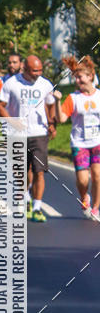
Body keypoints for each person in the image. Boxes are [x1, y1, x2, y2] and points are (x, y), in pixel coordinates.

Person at [0, 54, 56, 223]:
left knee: (39, 171)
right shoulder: (11, 84)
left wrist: (51, 123)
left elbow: (50, 104)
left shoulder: (45, 84)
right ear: (25, 69)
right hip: (16, 135)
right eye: (34, 71)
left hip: (38, 133)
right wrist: (13, 122)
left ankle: (37, 208)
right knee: (21, 172)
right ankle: (26, 197)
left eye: (40, 70)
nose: (37, 73)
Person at [54, 55, 100, 221]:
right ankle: (84, 196)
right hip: (79, 143)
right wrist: (57, 102)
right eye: (76, 77)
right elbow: (61, 119)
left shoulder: (99, 96)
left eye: (80, 77)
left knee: (97, 175)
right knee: (82, 179)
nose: (78, 80)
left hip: (98, 142)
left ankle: (95, 208)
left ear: (90, 76)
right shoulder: (73, 98)